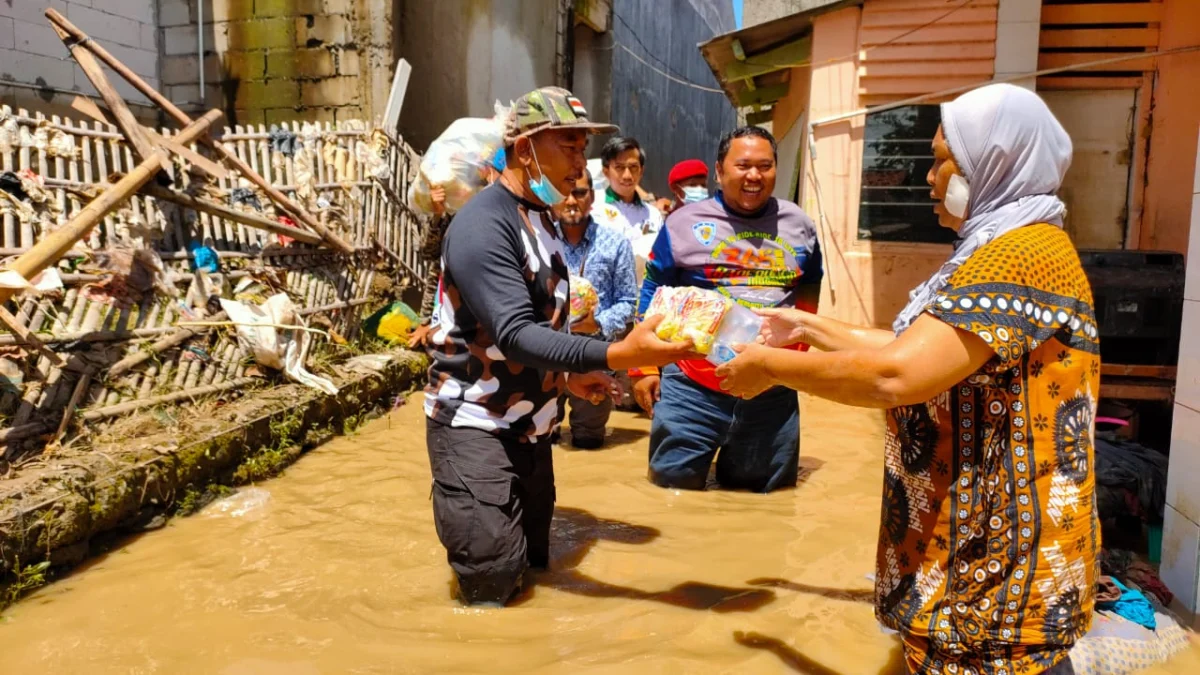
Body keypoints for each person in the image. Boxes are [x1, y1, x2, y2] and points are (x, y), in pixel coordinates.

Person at [715, 84, 1095, 675]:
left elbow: (897, 375)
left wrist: (769, 368)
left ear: (991, 162)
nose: (929, 178)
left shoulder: (1017, 255)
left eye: (943, 161)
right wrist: (807, 331)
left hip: (993, 585)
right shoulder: (1004, 246)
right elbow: (917, 349)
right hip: (979, 572)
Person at [424, 87, 696, 607]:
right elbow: (515, 333)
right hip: (475, 428)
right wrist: (622, 355)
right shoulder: (484, 225)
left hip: (531, 427)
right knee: (491, 588)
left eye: (580, 149)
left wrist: (568, 377)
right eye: (568, 148)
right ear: (525, 150)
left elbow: (544, 321)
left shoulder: (542, 219)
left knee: (534, 566)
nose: (581, 164)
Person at [631, 126, 823, 493]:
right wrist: (642, 366)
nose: (754, 175)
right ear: (719, 171)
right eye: (743, 165)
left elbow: (810, 283)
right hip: (692, 388)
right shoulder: (683, 223)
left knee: (764, 506)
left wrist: (797, 350)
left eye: (765, 166)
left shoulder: (800, 225)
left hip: (771, 390)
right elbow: (654, 287)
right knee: (671, 496)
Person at [548, 172, 637, 449]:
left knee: (589, 442)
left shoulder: (615, 243)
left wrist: (596, 324)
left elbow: (627, 301)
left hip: (595, 355)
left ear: (593, 198)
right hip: (545, 353)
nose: (572, 201)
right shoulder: (540, 240)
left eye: (581, 193)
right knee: (539, 439)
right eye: (566, 193)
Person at [408, 154, 503, 348]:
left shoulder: (503, 213)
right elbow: (429, 254)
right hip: (446, 314)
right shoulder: (451, 212)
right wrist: (438, 213)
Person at [591, 136, 664, 243]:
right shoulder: (594, 209)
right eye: (619, 167)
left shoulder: (653, 214)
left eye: (633, 167)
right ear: (606, 172)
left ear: (641, 171)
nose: (627, 176)